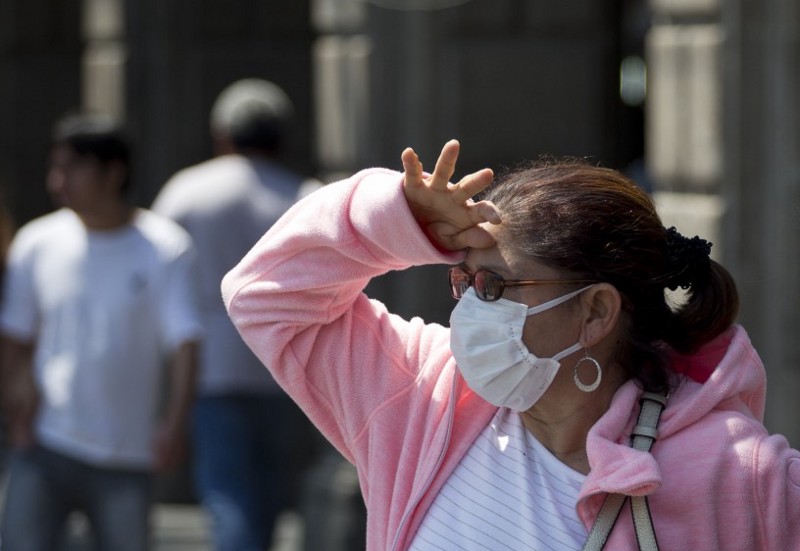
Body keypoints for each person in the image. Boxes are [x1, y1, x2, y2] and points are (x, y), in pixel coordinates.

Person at [220, 139, 800, 550]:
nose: (471, 307)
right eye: (465, 280)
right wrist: (397, 220)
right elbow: (262, 296)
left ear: (595, 312)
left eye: (495, 285)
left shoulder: (744, 476)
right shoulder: (425, 395)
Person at [0, 113, 203, 551]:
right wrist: (13, 410)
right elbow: (14, 338)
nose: (58, 181)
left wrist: (174, 425)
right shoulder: (36, 243)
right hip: (44, 443)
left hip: (126, 452)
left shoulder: (164, 246)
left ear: (113, 172)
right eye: (55, 167)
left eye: (72, 168)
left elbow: (185, 343)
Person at [152, 78, 322, 551]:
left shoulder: (187, 191)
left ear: (221, 133)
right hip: (284, 363)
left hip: (212, 364)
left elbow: (160, 273)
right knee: (270, 494)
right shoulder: (306, 194)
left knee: (227, 492)